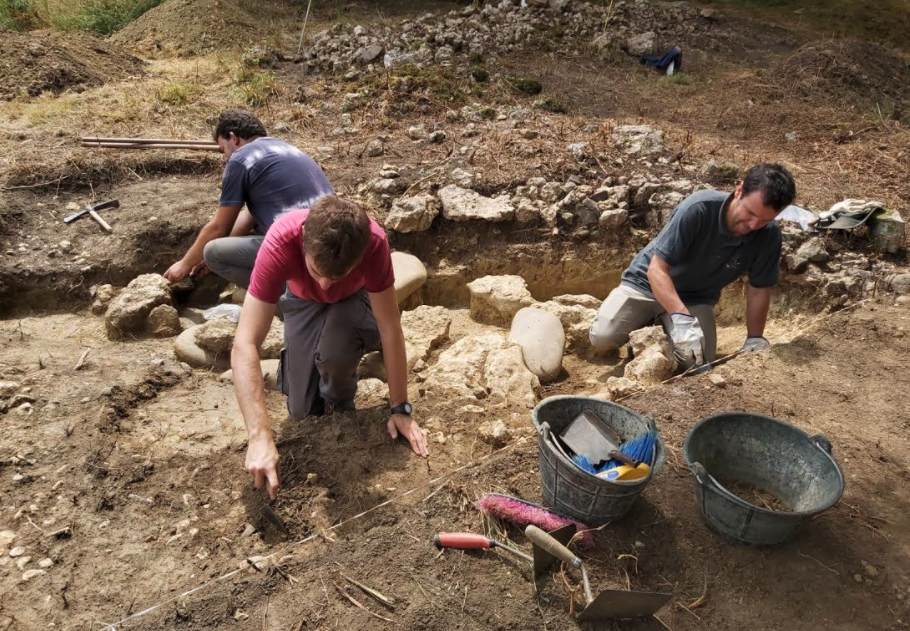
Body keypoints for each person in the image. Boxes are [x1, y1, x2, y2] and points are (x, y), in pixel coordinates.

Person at [231, 196, 429, 499]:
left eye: (335, 275)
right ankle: (330, 352)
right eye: (316, 271)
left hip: (356, 298)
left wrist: (400, 407)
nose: (325, 284)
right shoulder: (281, 241)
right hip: (301, 301)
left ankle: (345, 395)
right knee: (302, 413)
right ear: (303, 245)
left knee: (333, 357)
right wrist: (259, 436)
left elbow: (390, 326)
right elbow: (244, 343)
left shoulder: (373, 243)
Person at [590, 163, 796, 367]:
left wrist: (754, 338)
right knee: (603, 337)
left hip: (694, 298)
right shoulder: (699, 208)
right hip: (645, 285)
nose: (753, 225)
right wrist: (681, 318)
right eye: (750, 213)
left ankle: (662, 326)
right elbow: (657, 270)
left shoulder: (768, 234)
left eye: (763, 220)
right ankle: (649, 326)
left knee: (697, 362)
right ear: (739, 190)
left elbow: (758, 289)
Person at [163, 109, 334, 288]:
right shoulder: (287, 149)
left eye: (223, 150)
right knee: (221, 251)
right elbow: (249, 215)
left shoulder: (241, 158)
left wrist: (184, 265)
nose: (225, 158)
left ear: (233, 138)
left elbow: (220, 227)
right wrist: (216, 255)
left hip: (302, 246)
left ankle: (288, 301)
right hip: (334, 242)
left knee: (213, 252)